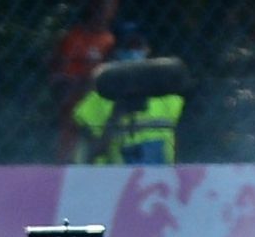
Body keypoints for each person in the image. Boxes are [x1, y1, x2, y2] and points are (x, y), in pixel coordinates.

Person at [72, 22, 185, 165]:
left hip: (162, 177)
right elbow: (87, 156)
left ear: (147, 49)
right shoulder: (97, 99)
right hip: (117, 177)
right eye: (127, 47)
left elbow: (184, 151)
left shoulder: (168, 97)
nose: (133, 52)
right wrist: (115, 117)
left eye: (137, 46)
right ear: (116, 52)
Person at [50, 0, 121, 163]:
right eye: (103, 2)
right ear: (91, 3)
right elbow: (59, 83)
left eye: (112, 2)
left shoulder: (111, 41)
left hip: (104, 118)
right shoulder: (71, 38)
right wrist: (86, 82)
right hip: (74, 119)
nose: (108, 7)